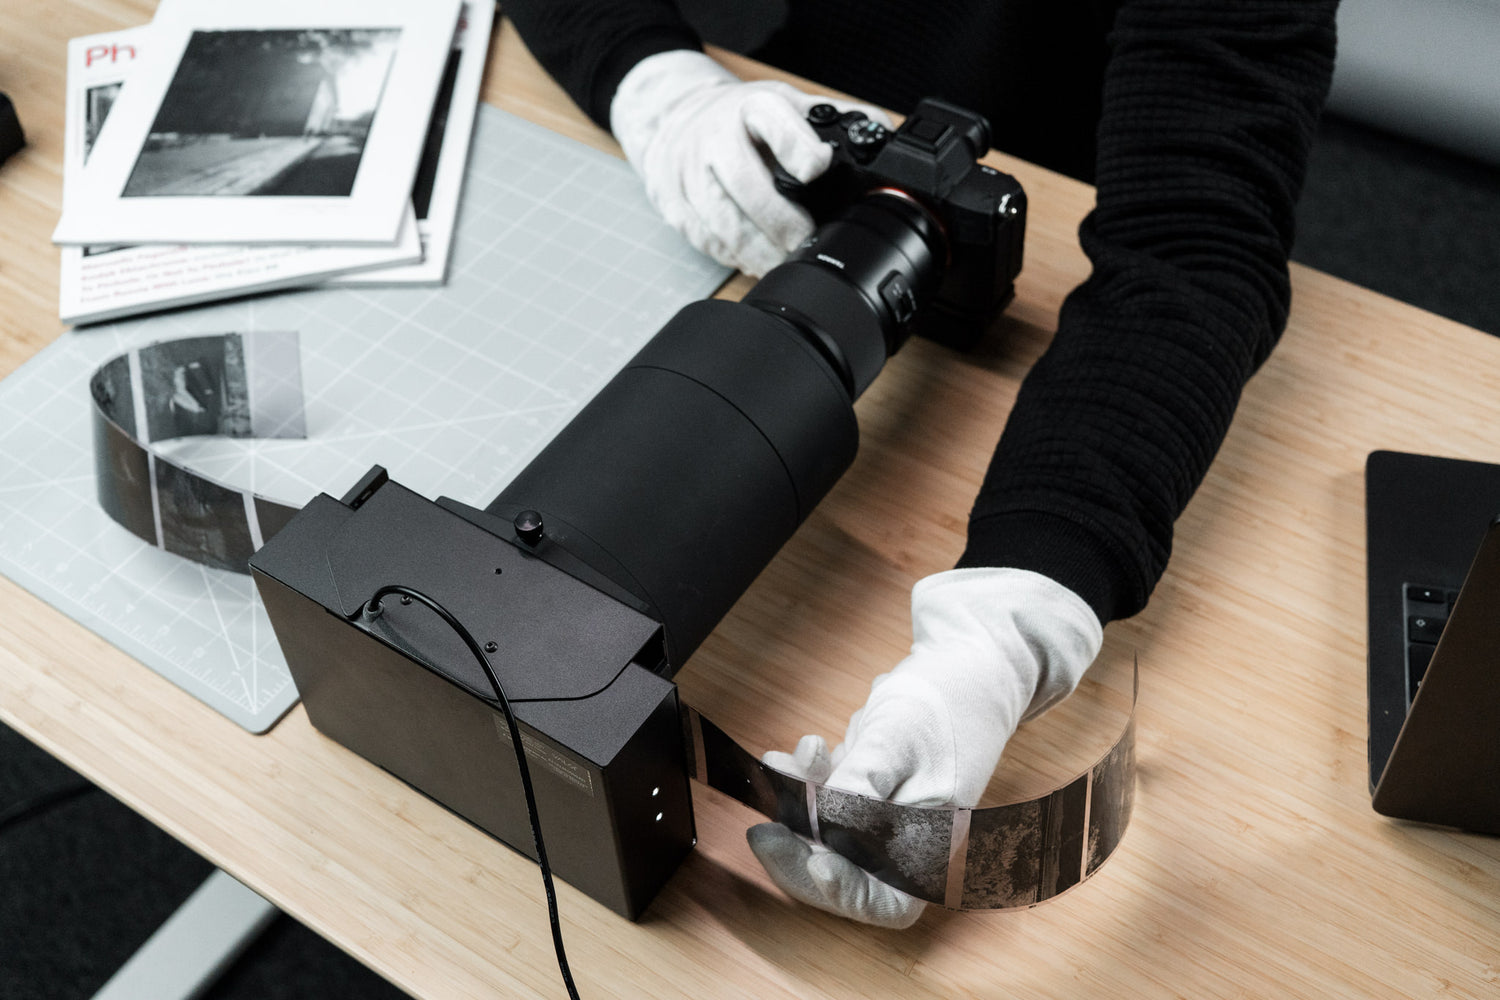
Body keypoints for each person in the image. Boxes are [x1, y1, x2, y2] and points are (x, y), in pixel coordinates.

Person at [503, 0, 1340, 927]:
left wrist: (1004, 630)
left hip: (1080, 158)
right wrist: (654, 79)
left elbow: (1194, 247)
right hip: (781, 99)